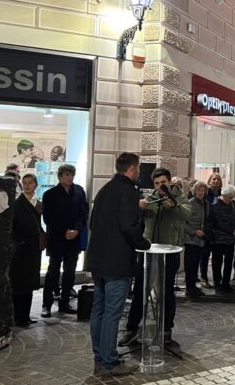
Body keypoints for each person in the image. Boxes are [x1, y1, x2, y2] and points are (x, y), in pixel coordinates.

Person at [86, 152, 151, 377]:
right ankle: (109, 362)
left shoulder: (105, 189)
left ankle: (100, 357)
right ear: (132, 169)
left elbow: (93, 222)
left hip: (98, 260)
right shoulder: (128, 191)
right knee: (112, 313)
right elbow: (129, 226)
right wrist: (143, 243)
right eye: (139, 168)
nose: (140, 172)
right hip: (117, 262)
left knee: (99, 310)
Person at [119, 168, 190, 346]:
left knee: (166, 292)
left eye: (163, 182)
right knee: (141, 290)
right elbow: (136, 219)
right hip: (149, 250)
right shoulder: (150, 198)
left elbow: (187, 215)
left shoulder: (179, 196)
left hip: (170, 250)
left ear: (169, 182)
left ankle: (166, 329)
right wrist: (139, 207)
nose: (160, 186)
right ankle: (132, 329)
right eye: (157, 183)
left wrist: (174, 206)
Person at [41, 164, 88, 318]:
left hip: (73, 238)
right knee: (53, 272)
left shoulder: (79, 191)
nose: (69, 178)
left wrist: (76, 230)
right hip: (56, 238)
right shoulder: (50, 194)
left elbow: (84, 213)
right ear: (60, 176)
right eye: (66, 175)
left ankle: (65, 301)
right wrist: (64, 231)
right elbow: (48, 218)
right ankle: (46, 304)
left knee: (70, 273)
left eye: (71, 175)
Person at [9, 173, 46, 327]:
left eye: (30, 183)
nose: (27, 185)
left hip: (33, 249)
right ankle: (19, 316)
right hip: (22, 250)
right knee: (20, 283)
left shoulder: (37, 203)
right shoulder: (18, 204)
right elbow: (13, 227)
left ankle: (25, 315)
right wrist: (19, 242)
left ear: (36, 184)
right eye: (24, 183)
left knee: (29, 282)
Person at [207, 185, 235, 294]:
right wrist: (232, 231)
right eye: (229, 198)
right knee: (217, 263)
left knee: (229, 262)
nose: (231, 200)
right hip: (218, 239)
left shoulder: (233, 204)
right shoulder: (215, 205)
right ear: (224, 195)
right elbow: (218, 223)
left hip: (230, 240)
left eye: (232, 198)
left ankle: (226, 284)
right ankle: (217, 284)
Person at [184, 181, 209, 298]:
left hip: (201, 239)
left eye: (203, 191)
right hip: (191, 239)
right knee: (190, 265)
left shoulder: (206, 204)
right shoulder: (190, 203)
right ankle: (189, 289)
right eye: (199, 190)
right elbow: (184, 223)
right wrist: (194, 231)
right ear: (194, 191)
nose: (201, 193)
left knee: (195, 265)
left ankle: (193, 287)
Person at [199, 173, 223, 289]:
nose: (216, 181)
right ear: (210, 180)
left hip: (218, 229)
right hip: (207, 228)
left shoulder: (222, 194)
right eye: (214, 179)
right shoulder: (205, 193)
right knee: (205, 254)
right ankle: (204, 277)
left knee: (217, 256)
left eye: (218, 179)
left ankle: (217, 278)